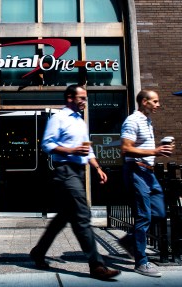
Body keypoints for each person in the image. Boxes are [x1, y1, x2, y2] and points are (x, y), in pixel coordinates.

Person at [30, 84, 121, 280]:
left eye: (85, 98)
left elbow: (87, 149)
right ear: (70, 97)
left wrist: (97, 168)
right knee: (82, 216)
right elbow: (47, 144)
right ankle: (97, 265)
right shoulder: (59, 118)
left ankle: (38, 252)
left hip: (79, 172)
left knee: (62, 218)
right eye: (82, 98)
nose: (84, 101)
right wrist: (71, 151)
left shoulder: (80, 120)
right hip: (65, 172)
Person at [120, 89, 174, 277]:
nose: (158, 105)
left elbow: (143, 146)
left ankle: (131, 240)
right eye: (155, 101)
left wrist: (159, 149)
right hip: (137, 170)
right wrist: (156, 152)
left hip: (149, 173)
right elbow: (126, 149)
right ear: (144, 102)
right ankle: (141, 262)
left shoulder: (147, 121)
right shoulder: (132, 121)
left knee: (158, 213)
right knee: (144, 216)